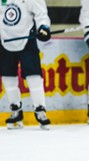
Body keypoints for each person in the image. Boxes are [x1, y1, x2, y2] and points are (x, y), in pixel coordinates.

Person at [0, 0, 51, 130]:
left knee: (33, 76)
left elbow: (41, 13)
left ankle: (40, 110)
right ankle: (15, 110)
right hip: (4, 40)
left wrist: (43, 27)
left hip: (27, 38)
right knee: (7, 76)